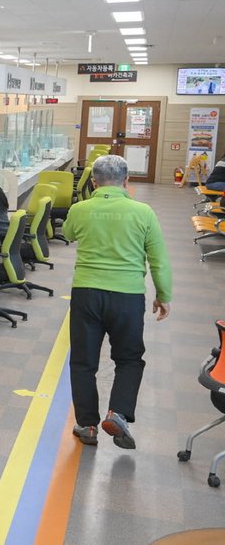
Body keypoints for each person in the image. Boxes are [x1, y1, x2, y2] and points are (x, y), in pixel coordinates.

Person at [65, 155, 171, 449]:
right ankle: (118, 413)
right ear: (127, 180)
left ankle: (87, 425)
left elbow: (68, 233)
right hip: (127, 296)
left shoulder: (80, 209)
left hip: (86, 293)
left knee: (83, 361)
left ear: (94, 182)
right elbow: (159, 260)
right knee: (129, 358)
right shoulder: (143, 212)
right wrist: (163, 295)